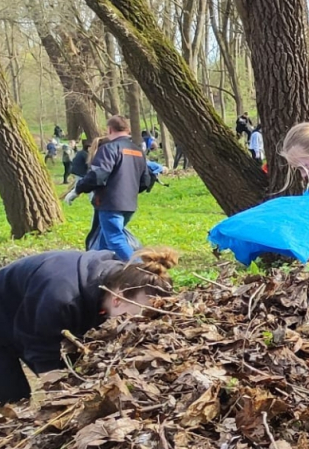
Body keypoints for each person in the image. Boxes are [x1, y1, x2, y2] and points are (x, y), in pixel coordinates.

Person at [0, 248, 178, 404]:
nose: (136, 325)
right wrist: (63, 401)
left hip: (27, 312)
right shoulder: (62, 299)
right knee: (13, 399)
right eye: (135, 318)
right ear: (118, 299)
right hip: (10, 312)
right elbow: (43, 353)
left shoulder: (120, 277)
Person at [66, 115, 155, 262]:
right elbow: (145, 180)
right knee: (103, 241)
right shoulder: (138, 151)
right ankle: (99, 267)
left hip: (110, 203)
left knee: (115, 239)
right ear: (127, 130)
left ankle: (139, 269)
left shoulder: (109, 149)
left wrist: (77, 189)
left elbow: (97, 175)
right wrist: (129, 191)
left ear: (109, 129)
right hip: (129, 204)